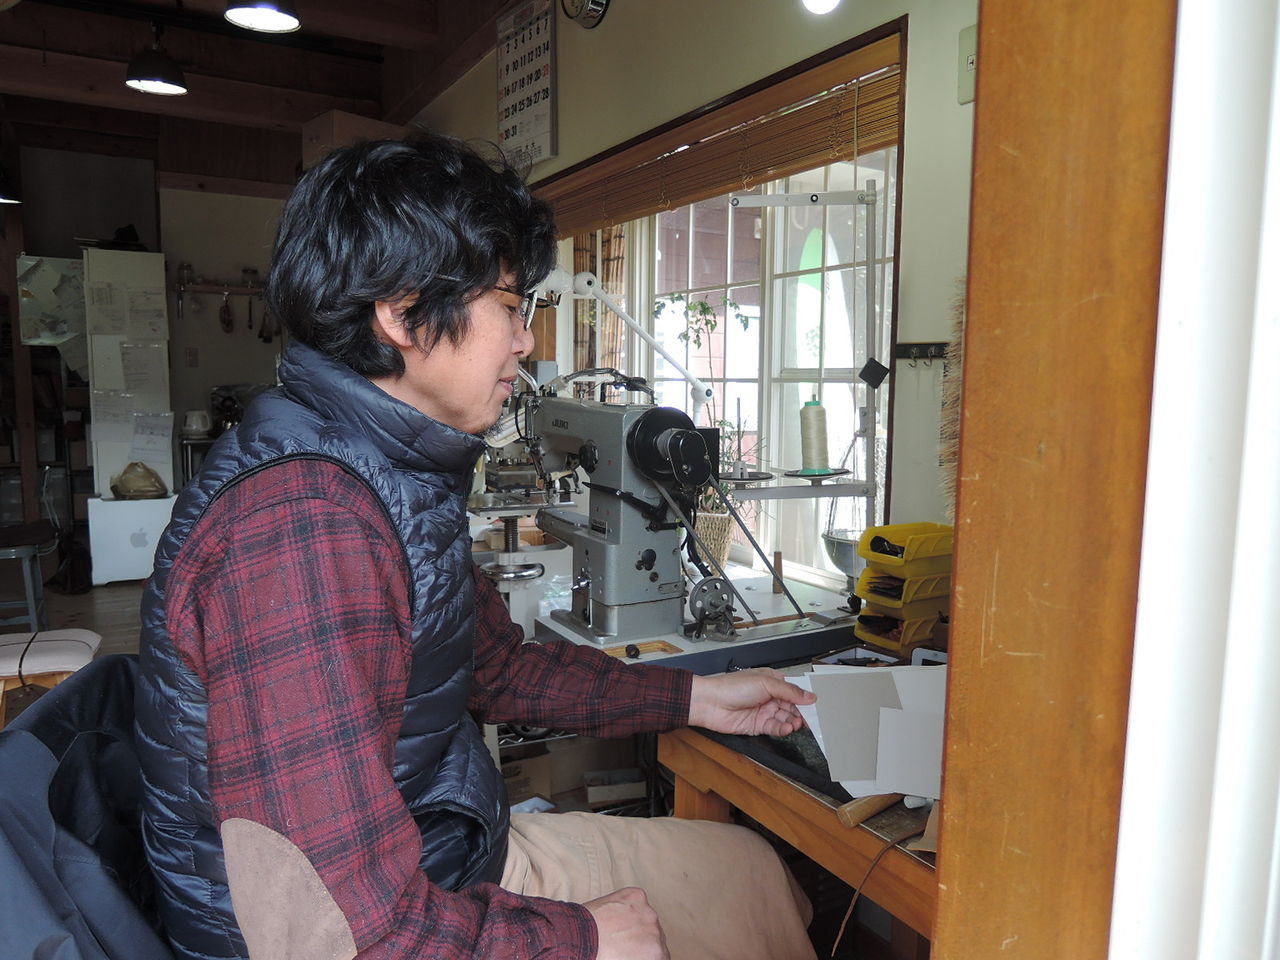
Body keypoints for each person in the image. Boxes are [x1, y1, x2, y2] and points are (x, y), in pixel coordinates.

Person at [135, 133, 818, 960]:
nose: (524, 342)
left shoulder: (383, 473)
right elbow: (342, 937)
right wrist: (582, 939)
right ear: (401, 312)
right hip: (394, 917)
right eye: (510, 305)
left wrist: (696, 699)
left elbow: (496, 669)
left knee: (753, 874)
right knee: (742, 901)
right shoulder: (306, 525)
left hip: (444, 857)